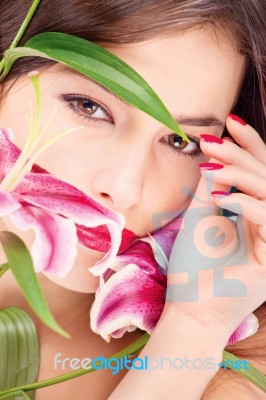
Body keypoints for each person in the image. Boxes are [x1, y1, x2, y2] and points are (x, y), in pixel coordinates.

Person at [0, 0, 265, 399]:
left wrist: (194, 325)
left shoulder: (235, 368)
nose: (124, 190)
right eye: (88, 106)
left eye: (181, 141)